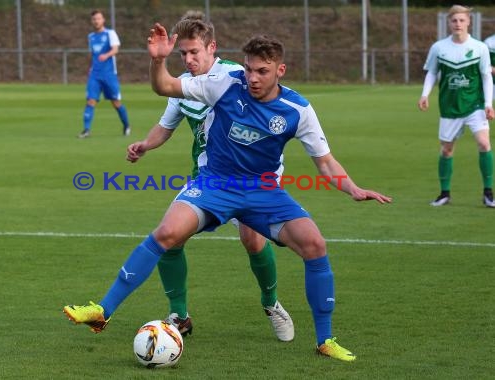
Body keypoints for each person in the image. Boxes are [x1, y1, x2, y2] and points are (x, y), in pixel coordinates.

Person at [63, 23, 392, 362]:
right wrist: (158, 61)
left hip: (263, 190)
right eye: (249, 69)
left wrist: (352, 188)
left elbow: (325, 162)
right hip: (214, 183)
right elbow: (165, 87)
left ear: (280, 70)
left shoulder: (298, 110)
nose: (252, 78)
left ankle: (324, 339)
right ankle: (103, 309)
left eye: (262, 72)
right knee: (166, 233)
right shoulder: (223, 83)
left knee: (314, 244)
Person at [125, 12, 293, 341]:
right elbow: (166, 125)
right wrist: (145, 145)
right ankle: (180, 315)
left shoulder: (235, 76)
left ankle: (271, 303)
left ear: (211, 47)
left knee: (252, 239)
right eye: (182, 54)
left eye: (193, 53)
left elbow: (275, 104)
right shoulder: (184, 87)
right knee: (169, 238)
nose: (187, 60)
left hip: (250, 177)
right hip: (207, 176)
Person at [418, 5, 494, 207]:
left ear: (469, 22)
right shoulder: (439, 48)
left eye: (462, 20)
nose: (458, 24)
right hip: (449, 106)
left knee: (484, 144)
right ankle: (444, 194)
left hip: (475, 105)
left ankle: (488, 193)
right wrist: (425, 94)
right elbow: (432, 72)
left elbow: (486, 77)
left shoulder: (479, 48)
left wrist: (488, 104)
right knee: (446, 150)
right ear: (448, 23)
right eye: (454, 21)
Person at [79, 9, 130, 138]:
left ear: (103, 20)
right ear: (92, 21)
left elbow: (115, 49)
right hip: (95, 75)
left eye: (98, 18)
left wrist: (106, 55)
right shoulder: (91, 36)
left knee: (116, 102)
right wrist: (90, 67)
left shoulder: (110, 33)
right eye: (94, 19)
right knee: (90, 101)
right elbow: (92, 55)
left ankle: (126, 125)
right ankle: (86, 130)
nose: (96, 21)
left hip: (109, 75)